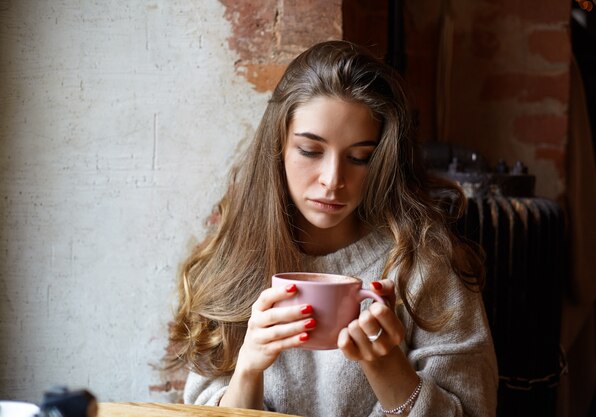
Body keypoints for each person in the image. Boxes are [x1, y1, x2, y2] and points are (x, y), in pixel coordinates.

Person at [168, 40, 498, 416]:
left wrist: (387, 367)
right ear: (277, 146)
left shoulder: (424, 266)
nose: (332, 179)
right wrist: (248, 370)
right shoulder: (232, 265)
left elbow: (475, 410)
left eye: (359, 158)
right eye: (310, 150)